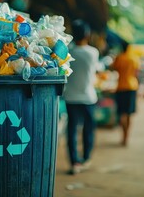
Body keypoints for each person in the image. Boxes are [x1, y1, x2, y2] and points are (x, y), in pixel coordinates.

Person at [63, 19, 99, 175]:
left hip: (71, 97)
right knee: (88, 129)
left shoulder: (67, 51)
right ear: (87, 34)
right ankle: (86, 157)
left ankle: (74, 162)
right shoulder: (93, 52)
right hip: (88, 97)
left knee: (71, 130)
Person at [110, 40, 140, 146]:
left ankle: (123, 136)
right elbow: (137, 72)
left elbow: (113, 68)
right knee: (129, 114)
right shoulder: (134, 58)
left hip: (121, 87)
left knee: (122, 113)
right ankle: (127, 136)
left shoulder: (119, 58)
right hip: (132, 86)